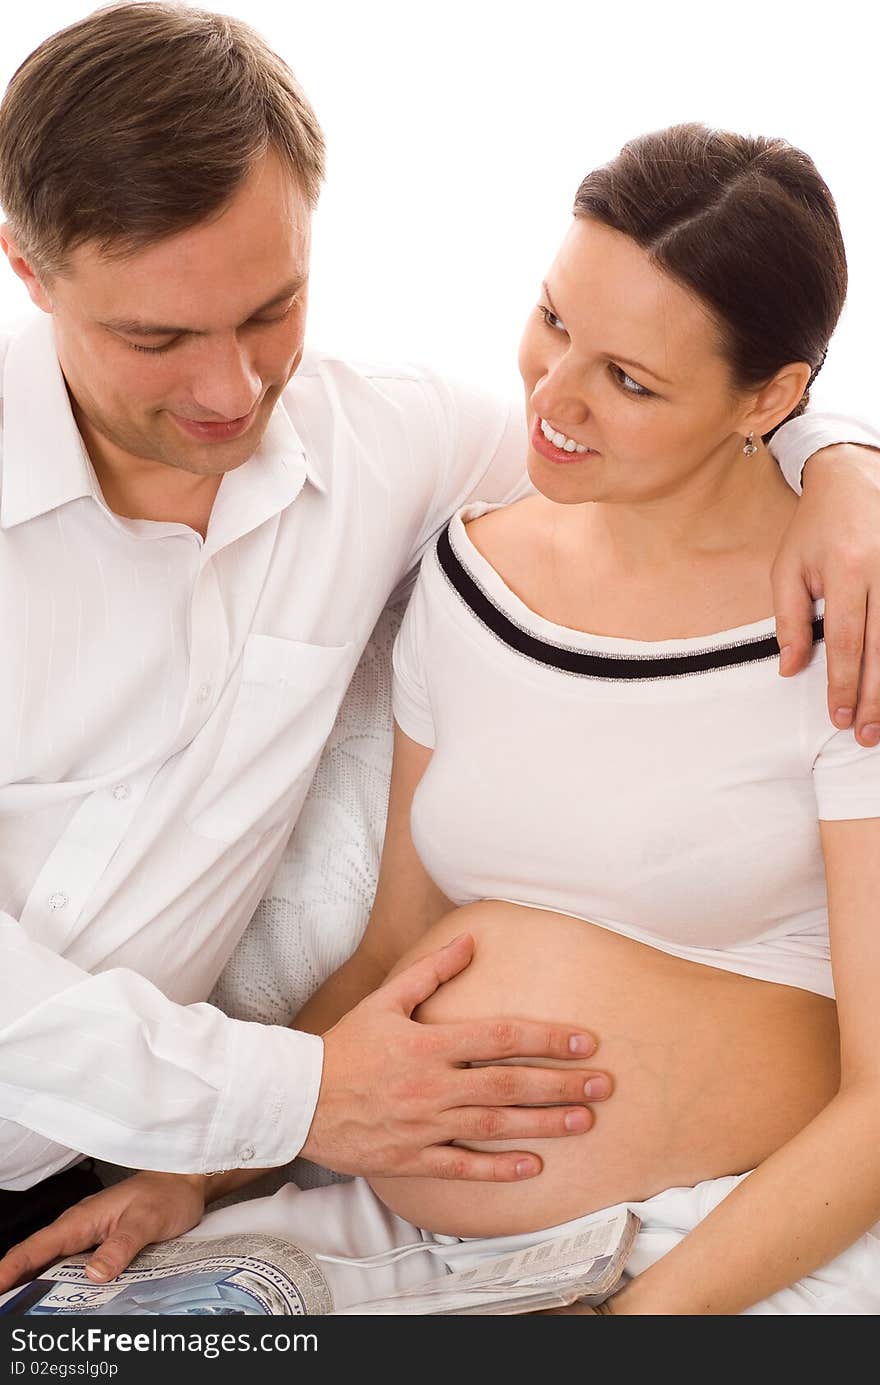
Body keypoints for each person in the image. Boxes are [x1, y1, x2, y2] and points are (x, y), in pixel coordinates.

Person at [0, 3, 879, 1281]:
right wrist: (284, 1105)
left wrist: (846, 474)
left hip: (114, 1187)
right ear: (27, 267)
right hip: (193, 1123)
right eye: (156, 338)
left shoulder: (387, 447)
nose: (232, 393)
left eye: (271, 311)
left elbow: (672, 416)